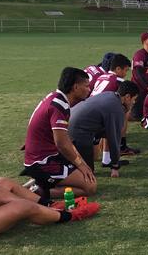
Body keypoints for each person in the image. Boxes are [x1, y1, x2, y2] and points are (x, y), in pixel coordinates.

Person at [21, 67, 96, 200]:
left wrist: (82, 163)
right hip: (43, 161)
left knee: (87, 174)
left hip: (44, 156)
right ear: (76, 87)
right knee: (90, 186)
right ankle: (36, 192)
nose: (89, 90)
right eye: (87, 86)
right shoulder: (59, 105)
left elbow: (62, 139)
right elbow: (62, 143)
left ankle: (40, 184)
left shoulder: (55, 97)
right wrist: (81, 165)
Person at [69, 81, 139, 179]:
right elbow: (114, 139)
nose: (134, 102)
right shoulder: (115, 108)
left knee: (107, 131)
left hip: (72, 123)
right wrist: (115, 166)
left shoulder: (111, 95)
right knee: (88, 174)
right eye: (134, 99)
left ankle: (105, 160)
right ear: (127, 97)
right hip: (76, 131)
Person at [90, 53, 140, 156]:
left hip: (90, 110)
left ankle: (106, 153)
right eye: (125, 70)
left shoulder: (102, 76)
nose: (126, 73)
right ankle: (121, 147)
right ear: (118, 69)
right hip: (98, 114)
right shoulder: (118, 81)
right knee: (122, 114)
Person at [130, 31, 148, 121]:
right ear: (144, 41)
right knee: (136, 116)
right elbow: (138, 73)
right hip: (139, 91)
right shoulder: (140, 55)